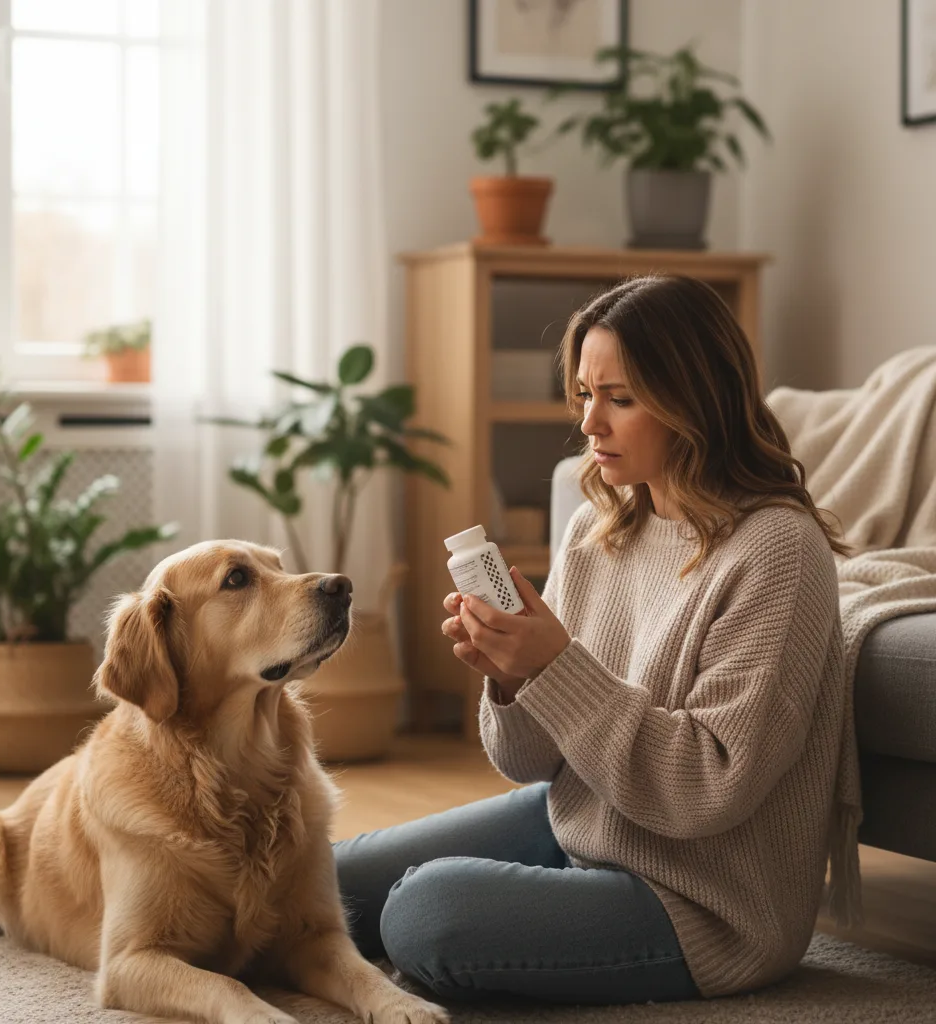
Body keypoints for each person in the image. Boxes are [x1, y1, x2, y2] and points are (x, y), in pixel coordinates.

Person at [332, 275, 860, 1005]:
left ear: (696, 399)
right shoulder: (599, 527)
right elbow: (530, 764)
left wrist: (555, 666)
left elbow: (709, 790)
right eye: (584, 394)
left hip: (702, 901)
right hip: (586, 819)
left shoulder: (776, 550)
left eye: (620, 398)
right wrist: (513, 678)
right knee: (326, 879)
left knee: (425, 913)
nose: (590, 424)